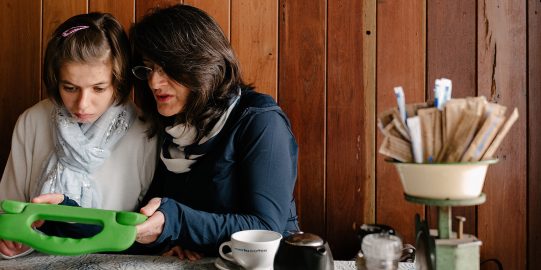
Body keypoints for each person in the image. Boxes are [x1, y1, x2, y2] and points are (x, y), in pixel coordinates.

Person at [130, 4, 300, 260]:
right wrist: (165, 242)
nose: (154, 82)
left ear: (202, 64)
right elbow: (155, 218)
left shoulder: (260, 120)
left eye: (167, 68)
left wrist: (175, 224)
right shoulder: (175, 128)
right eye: (149, 68)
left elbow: (266, 229)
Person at [0, 12, 157, 258]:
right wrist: (10, 241)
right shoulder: (32, 121)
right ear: (55, 80)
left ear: (119, 80)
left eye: (99, 88)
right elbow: (7, 208)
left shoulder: (144, 131)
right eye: (70, 88)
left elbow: (146, 230)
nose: (83, 104)